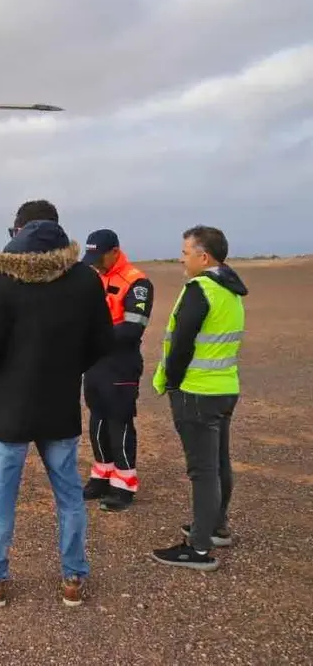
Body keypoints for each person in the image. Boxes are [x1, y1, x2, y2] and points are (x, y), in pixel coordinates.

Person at [0, 199, 113, 608]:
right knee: (69, 496)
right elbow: (102, 341)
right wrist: (69, 370)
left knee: (2, 498)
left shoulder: (3, 281)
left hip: (11, 405)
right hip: (60, 404)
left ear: (19, 230)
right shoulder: (84, 279)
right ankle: (73, 579)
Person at [150, 225, 246, 572]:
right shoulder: (231, 290)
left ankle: (200, 548)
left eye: (186, 252)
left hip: (197, 392)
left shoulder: (200, 288)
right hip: (224, 389)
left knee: (203, 471)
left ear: (203, 257)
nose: (181, 258)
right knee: (219, 461)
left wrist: (172, 383)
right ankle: (214, 527)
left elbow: (181, 344)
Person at [80, 229, 154, 512]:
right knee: (97, 420)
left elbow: (132, 328)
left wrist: (93, 334)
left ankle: (124, 485)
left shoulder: (137, 282)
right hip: (95, 363)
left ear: (115, 251)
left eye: (100, 257)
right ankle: (102, 475)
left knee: (119, 421)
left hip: (121, 364)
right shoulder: (95, 277)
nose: (97, 263)